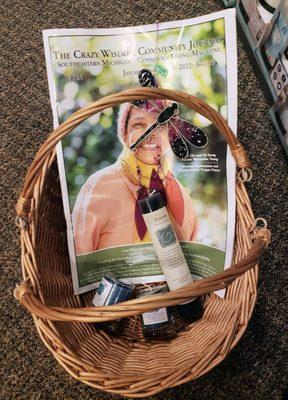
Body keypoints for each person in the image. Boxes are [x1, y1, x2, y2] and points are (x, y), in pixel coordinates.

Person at [72, 100, 198, 255]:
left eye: (162, 125)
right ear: (125, 133)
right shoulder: (99, 186)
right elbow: (79, 263)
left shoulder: (182, 196)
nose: (151, 133)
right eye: (139, 125)